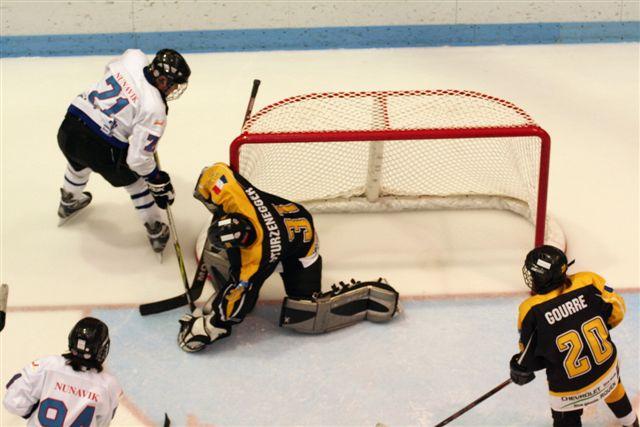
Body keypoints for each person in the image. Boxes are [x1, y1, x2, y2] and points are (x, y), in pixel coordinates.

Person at [178, 162, 400, 352]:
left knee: (306, 314)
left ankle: (367, 296)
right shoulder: (236, 198)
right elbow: (217, 172)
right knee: (235, 275)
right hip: (294, 217)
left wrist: (208, 326)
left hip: (301, 249)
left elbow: (235, 304)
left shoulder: (255, 258)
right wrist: (206, 193)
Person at [56, 48, 191, 254]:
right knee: (137, 183)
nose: (173, 91)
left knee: (78, 162)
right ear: (163, 81)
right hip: (101, 148)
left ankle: (68, 200)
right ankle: (155, 229)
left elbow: (109, 70)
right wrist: (155, 178)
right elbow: (138, 160)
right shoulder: (155, 108)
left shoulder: (134, 57)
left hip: (69, 126)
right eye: (173, 86)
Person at [509, 245, 638, 427]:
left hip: (569, 392)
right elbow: (618, 309)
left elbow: (531, 358)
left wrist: (519, 368)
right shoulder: (589, 281)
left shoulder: (530, 310)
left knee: (566, 418)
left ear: (541, 278)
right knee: (610, 381)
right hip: (606, 372)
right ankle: (631, 422)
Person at [3, 317, 122, 426]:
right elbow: (102, 423)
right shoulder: (109, 385)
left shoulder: (47, 365)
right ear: (103, 349)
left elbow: (13, 402)